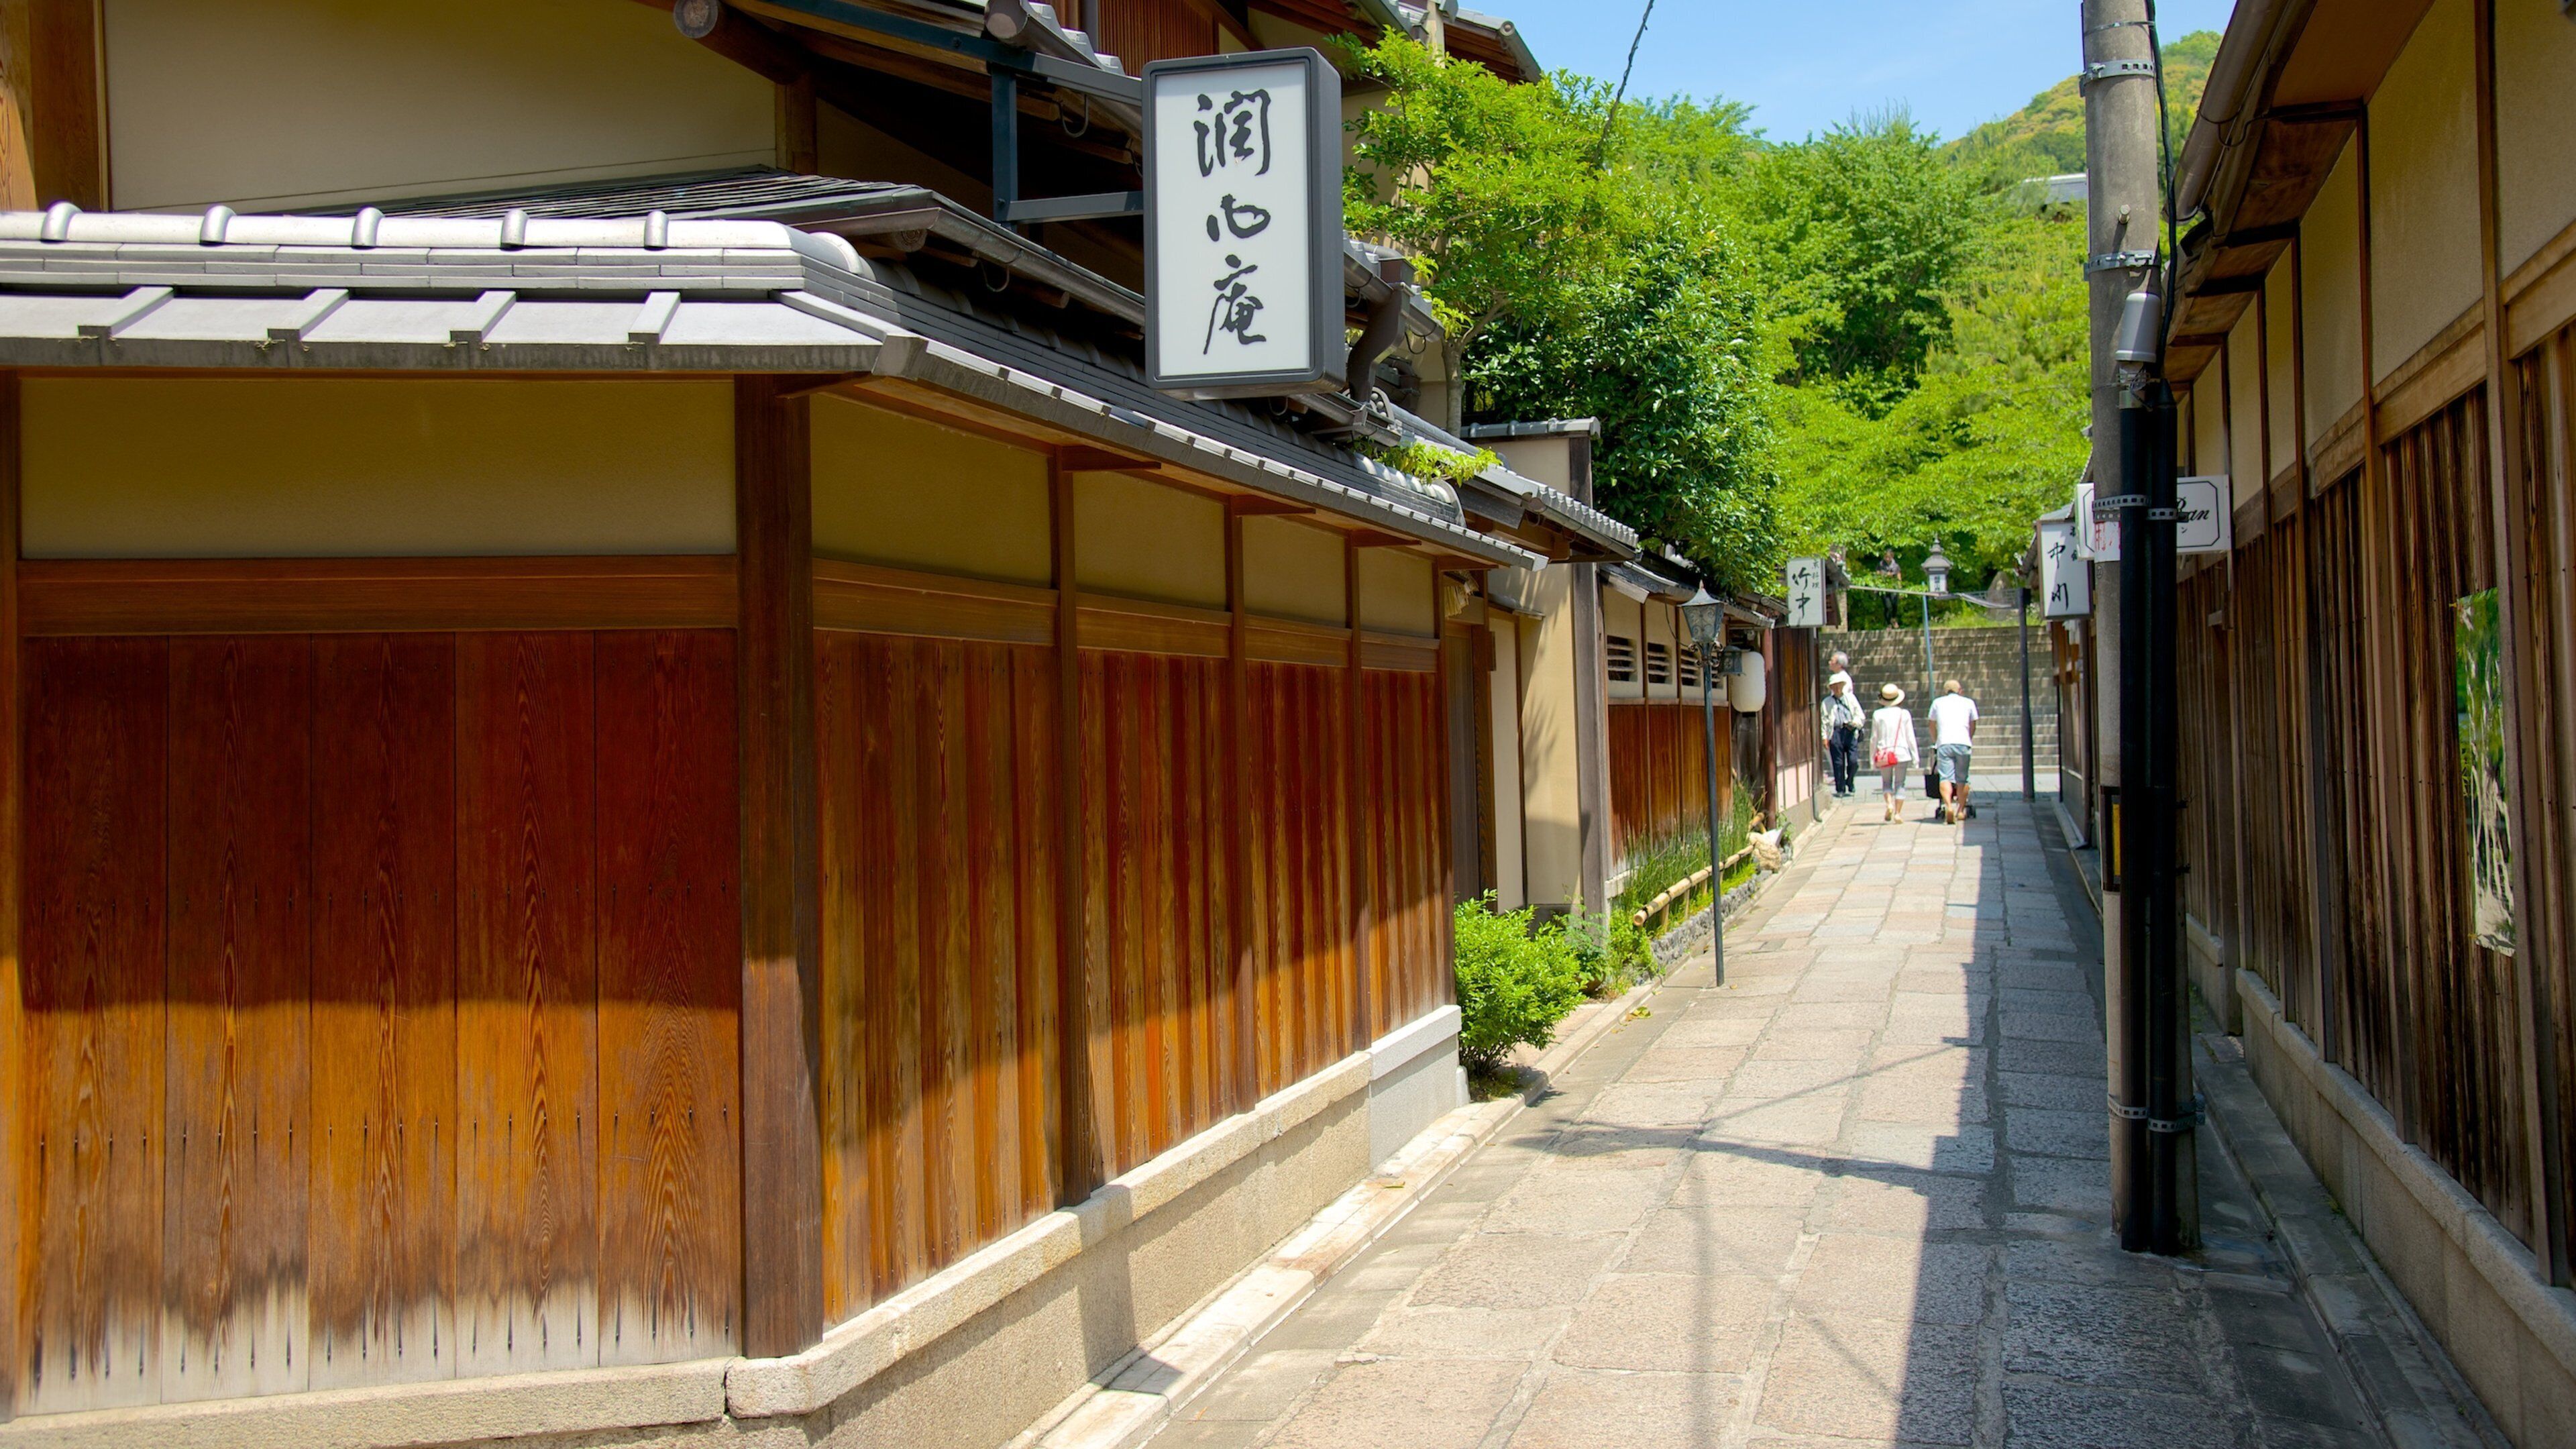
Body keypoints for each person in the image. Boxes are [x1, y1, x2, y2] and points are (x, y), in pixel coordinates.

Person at [1929, 678, 1980, 824]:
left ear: (1945, 691)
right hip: (1963, 742)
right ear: (1960, 691)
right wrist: (1968, 738)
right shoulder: (1968, 702)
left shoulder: (1938, 703)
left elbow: (1931, 724)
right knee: (1963, 778)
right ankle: (1961, 810)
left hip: (1944, 743)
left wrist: (1936, 740)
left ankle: (1948, 806)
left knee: (1945, 777)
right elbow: (1973, 724)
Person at [1870, 683, 1919, 822]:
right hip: (1902, 752)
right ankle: (1898, 813)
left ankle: (1889, 804)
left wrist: (1872, 758)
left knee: (1886, 782)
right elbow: (1910, 737)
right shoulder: (1904, 714)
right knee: (1900, 783)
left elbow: (1874, 738)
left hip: (1884, 753)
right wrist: (1915, 756)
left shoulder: (1877, 714)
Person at [1820, 676, 1864, 797]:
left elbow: (1860, 715)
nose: (1837, 688)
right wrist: (1824, 737)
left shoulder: (1850, 699)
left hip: (1850, 731)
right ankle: (1840, 788)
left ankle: (1850, 781)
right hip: (1836, 732)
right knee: (1838, 762)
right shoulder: (1827, 702)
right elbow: (1824, 720)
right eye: (1834, 686)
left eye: (1839, 685)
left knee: (1853, 761)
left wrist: (1854, 723)